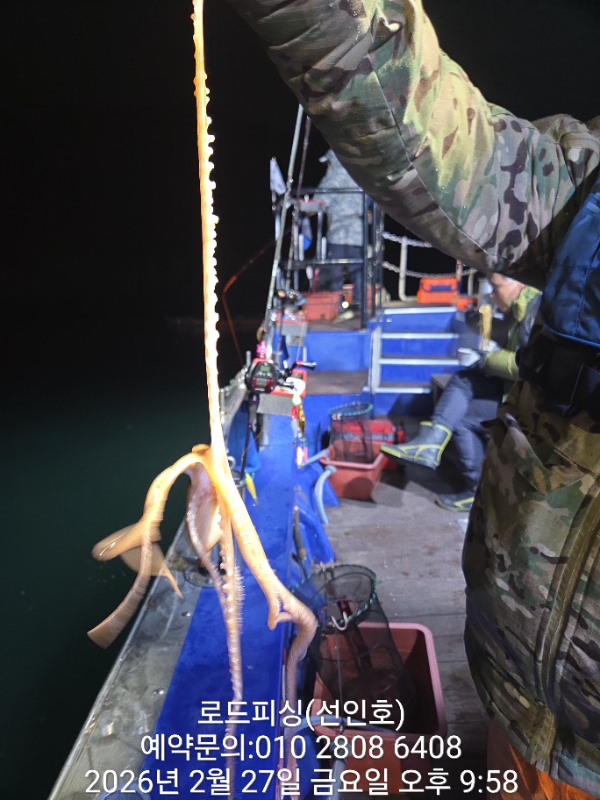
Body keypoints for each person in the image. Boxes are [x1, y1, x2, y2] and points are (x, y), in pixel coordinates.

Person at [225, 0, 600, 795]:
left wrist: (487, 356)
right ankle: (432, 455)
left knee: (458, 392)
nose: (503, 284)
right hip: (518, 703)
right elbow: (464, 161)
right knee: (454, 390)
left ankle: (438, 460)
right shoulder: (587, 192)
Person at [381, 276, 541, 512]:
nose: (492, 295)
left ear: (519, 283)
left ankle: (441, 453)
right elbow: (505, 338)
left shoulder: (536, 311)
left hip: (531, 404)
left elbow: (526, 366)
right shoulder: (519, 309)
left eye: (496, 288)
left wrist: (485, 360)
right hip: (512, 391)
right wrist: (477, 321)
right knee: (462, 384)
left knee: (462, 409)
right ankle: (433, 444)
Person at [315, 149, 365, 312]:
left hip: (338, 233)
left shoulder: (337, 170)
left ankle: (335, 308)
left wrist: (306, 205)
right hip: (358, 233)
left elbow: (322, 197)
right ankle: (360, 306)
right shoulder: (358, 170)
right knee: (358, 271)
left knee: (334, 272)